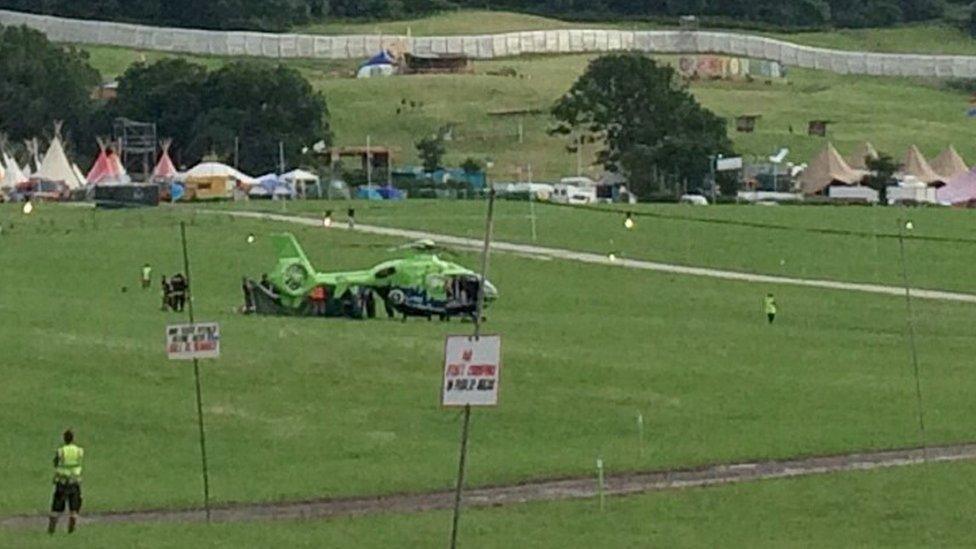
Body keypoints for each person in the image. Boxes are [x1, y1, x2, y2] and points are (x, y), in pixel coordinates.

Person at [48, 430, 84, 535]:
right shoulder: (79, 451)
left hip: (62, 482)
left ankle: (51, 530)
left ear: (64, 439)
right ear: (73, 438)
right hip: (74, 481)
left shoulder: (61, 451)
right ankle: (71, 530)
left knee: (56, 508)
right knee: (74, 508)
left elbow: (55, 463)